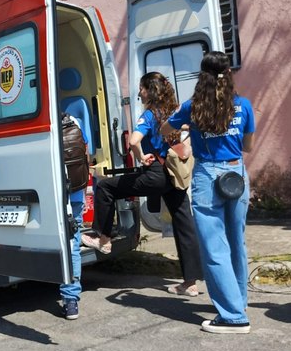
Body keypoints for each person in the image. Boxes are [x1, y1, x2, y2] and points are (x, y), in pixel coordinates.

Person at [82, 72, 203, 295]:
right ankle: (190, 283)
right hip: (175, 174)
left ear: (150, 90)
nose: (139, 92)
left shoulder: (149, 115)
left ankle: (104, 238)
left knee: (107, 187)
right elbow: (189, 127)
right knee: (184, 224)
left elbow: (133, 140)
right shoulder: (173, 111)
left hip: (156, 174)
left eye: (141, 88)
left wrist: (139, 155)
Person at [162, 51, 255, 334]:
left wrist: (188, 127)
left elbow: (166, 128)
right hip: (235, 173)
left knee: (215, 246)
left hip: (207, 175)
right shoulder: (243, 105)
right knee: (236, 241)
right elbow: (248, 146)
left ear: (201, 76)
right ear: (229, 74)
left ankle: (233, 317)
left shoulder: (192, 107)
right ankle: (237, 301)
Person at [60, 113, 88, 320]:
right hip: (76, 192)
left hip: (51, 193)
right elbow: (85, 152)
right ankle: (71, 300)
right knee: (72, 243)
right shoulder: (74, 120)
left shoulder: (43, 124)